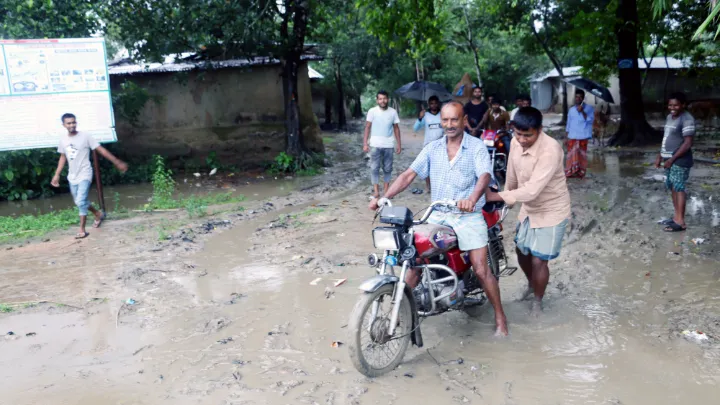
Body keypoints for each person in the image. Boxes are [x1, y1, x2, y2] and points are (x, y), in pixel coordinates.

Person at [369, 101, 509, 336]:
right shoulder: (433, 149)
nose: (449, 124)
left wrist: (473, 199)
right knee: (413, 259)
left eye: (454, 119)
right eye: (445, 120)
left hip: (468, 215)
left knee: (481, 268)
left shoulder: (475, 147)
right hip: (438, 215)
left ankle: (500, 319)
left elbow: (484, 176)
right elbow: (408, 175)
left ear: (464, 120)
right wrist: (383, 197)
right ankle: (401, 315)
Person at [486, 107, 571, 316]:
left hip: (552, 209)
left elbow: (532, 190)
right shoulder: (514, 142)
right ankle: (532, 285)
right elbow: (512, 175)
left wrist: (495, 196)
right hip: (528, 207)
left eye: (528, 135)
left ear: (540, 130)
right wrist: (506, 200)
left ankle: (537, 301)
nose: (522, 139)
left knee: (539, 259)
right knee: (521, 250)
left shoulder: (550, 150)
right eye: (518, 134)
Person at [51, 113, 128, 239]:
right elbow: (63, 157)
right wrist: (56, 174)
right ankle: (97, 213)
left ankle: (82, 230)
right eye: (69, 123)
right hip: (72, 176)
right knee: (79, 201)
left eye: (73, 122)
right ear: (64, 125)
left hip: (85, 173)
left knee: (80, 201)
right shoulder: (63, 140)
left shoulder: (85, 136)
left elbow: (101, 150)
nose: (72, 125)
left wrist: (116, 161)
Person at [655, 92, 695, 232]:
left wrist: (672, 159)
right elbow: (666, 137)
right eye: (670, 104)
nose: (673, 107)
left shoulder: (687, 119)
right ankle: (676, 217)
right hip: (668, 160)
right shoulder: (669, 117)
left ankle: (681, 222)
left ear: (683, 105)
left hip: (679, 160)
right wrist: (660, 155)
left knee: (679, 188)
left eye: (676, 105)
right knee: (672, 186)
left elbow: (688, 143)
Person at [363, 90, 402, 198]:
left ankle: (386, 191)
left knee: (388, 168)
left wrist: (399, 144)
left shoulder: (393, 112)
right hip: (375, 145)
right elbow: (367, 127)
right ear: (377, 100)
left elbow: (396, 128)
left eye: (384, 98)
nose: (383, 101)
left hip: (389, 145)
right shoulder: (372, 111)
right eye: (380, 99)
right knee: (374, 168)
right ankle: (376, 191)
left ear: (387, 99)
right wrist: (365, 143)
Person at [413, 95, 444, 192]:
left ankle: (439, 186)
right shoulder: (425, 115)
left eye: (435, 103)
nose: (433, 105)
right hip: (428, 144)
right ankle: (428, 186)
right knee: (428, 167)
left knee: (440, 166)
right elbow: (416, 128)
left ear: (438, 103)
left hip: (441, 144)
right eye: (431, 103)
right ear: (428, 104)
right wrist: (420, 118)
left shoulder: (443, 114)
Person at [565, 89, 594, 179]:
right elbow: (568, 123)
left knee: (581, 155)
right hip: (572, 136)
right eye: (576, 97)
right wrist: (566, 136)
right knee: (571, 155)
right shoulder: (571, 110)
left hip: (583, 136)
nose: (578, 98)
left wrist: (582, 111)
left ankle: (580, 173)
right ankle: (571, 172)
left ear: (583, 98)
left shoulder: (589, 108)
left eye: (580, 97)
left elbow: (590, 120)